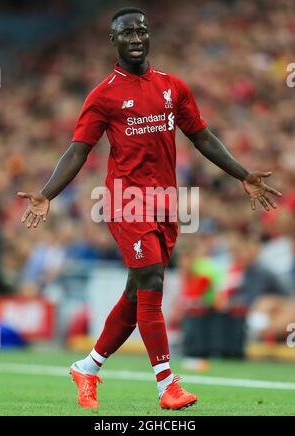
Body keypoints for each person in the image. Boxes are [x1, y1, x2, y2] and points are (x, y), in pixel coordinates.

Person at [18, 7, 282, 410]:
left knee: (135, 293)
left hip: (165, 201)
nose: (136, 38)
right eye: (127, 33)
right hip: (125, 200)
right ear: (114, 41)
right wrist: (47, 193)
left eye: (142, 31)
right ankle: (166, 384)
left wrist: (242, 174)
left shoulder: (172, 87)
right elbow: (78, 150)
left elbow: (203, 137)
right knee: (152, 283)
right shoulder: (103, 94)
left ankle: (87, 367)